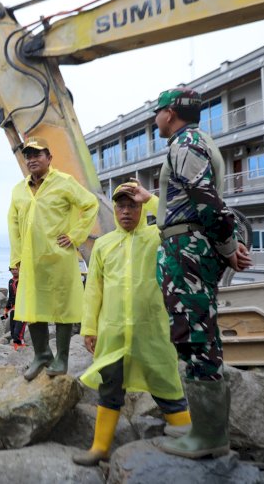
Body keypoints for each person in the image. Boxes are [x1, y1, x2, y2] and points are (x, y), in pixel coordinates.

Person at [152, 88, 252, 459]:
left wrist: (229, 249)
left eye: (158, 111)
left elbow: (207, 203)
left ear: (172, 112)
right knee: (192, 335)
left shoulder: (186, 144)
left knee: (197, 339)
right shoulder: (189, 143)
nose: (155, 118)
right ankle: (205, 428)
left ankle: (210, 437)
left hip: (188, 252)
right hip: (185, 249)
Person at [72, 182, 190, 466]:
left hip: (151, 330)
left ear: (141, 209)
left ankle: (190, 439)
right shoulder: (103, 244)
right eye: (121, 206)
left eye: (132, 206)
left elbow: (180, 218)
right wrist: (89, 328)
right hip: (112, 332)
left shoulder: (156, 237)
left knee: (166, 384)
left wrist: (149, 200)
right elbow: (94, 290)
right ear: (114, 210)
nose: (126, 211)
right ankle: (100, 448)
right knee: (110, 387)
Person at [8, 136, 99, 380]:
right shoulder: (19, 190)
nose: (32, 159)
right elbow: (13, 225)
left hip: (59, 257)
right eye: (28, 155)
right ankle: (42, 355)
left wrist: (76, 235)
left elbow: (90, 204)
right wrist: (15, 260)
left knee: (63, 308)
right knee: (32, 306)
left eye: (37, 154)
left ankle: (62, 359)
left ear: (49, 157)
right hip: (31, 259)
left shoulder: (65, 182)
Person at [2, 266, 26, 350]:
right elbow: (11, 297)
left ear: (20, 269)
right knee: (12, 331)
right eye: (12, 269)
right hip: (13, 309)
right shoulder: (10, 281)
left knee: (18, 332)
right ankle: (16, 350)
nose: (14, 271)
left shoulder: (24, 280)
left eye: (16, 269)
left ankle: (22, 348)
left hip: (23, 309)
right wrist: (6, 309)